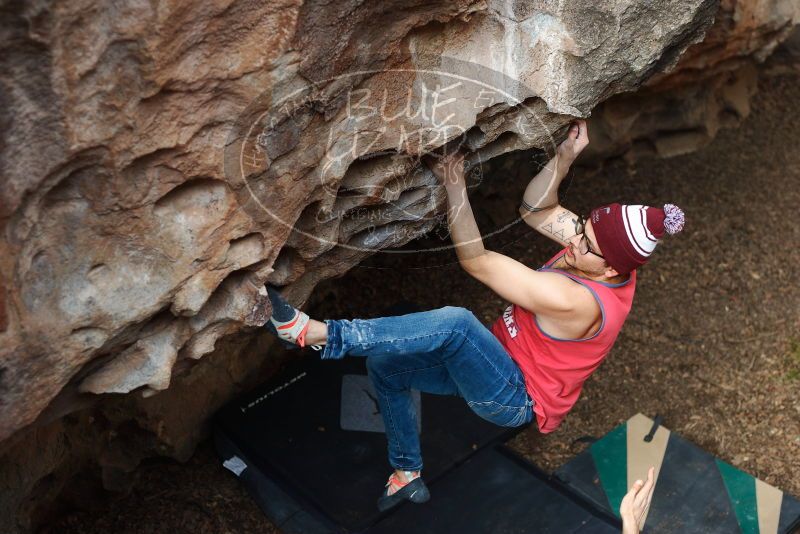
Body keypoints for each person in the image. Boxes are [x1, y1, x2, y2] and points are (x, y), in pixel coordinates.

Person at [261, 121, 684, 511]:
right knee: (386, 369)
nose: (574, 242)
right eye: (582, 228)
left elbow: (477, 262)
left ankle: (318, 334)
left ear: (611, 269)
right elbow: (536, 209)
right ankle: (406, 472)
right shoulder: (597, 253)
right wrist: (565, 157)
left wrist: (455, 184)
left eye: (587, 245)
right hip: (494, 362)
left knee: (458, 325)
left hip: (513, 394)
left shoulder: (576, 301)